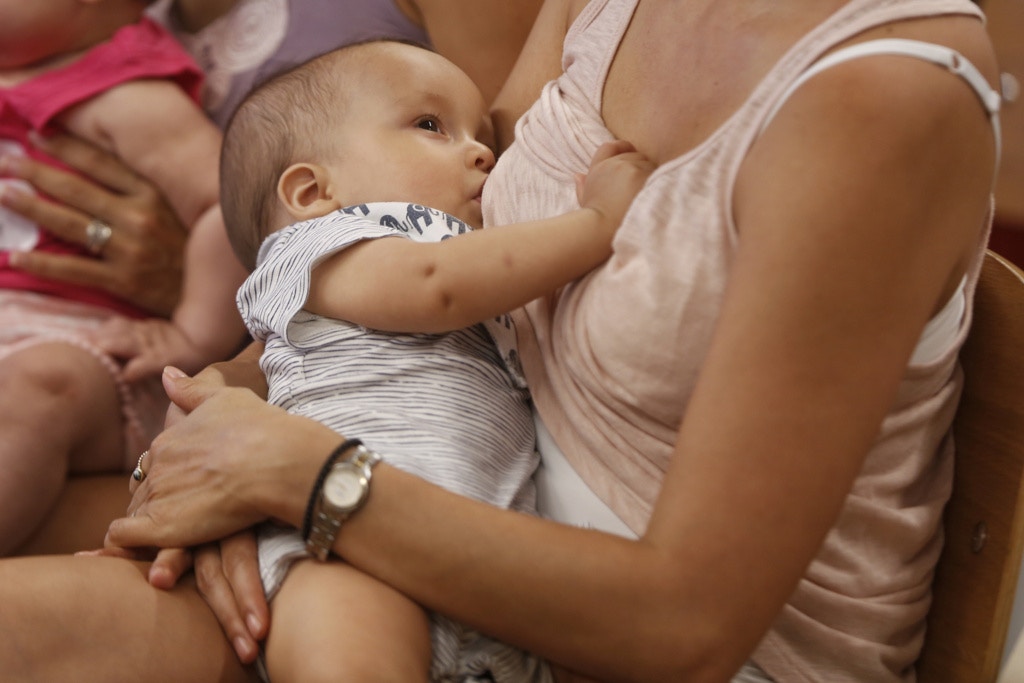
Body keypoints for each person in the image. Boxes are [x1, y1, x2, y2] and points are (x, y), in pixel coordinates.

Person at [0, 0, 1002, 681]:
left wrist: (305, 479)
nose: (474, 146)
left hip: (602, 633)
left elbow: (686, 626)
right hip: (415, 499)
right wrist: (221, 412)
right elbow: (414, 251)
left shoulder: (882, 97)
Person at [4, 0, 544, 556]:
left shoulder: (113, 78)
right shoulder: (118, 38)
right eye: (431, 126)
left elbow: (511, 182)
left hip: (350, 452)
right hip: (243, 427)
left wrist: (194, 315)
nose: (479, 151)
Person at [217, 39, 651, 681]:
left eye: (482, 136)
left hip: (477, 569)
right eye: (430, 126)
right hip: (339, 548)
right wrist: (597, 222)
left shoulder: (462, 264)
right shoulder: (328, 245)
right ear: (312, 190)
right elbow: (436, 285)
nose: (481, 152)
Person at [0, 0, 250, 556]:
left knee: (37, 389)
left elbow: (224, 203)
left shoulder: (122, 90)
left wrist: (193, 334)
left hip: (86, 343)